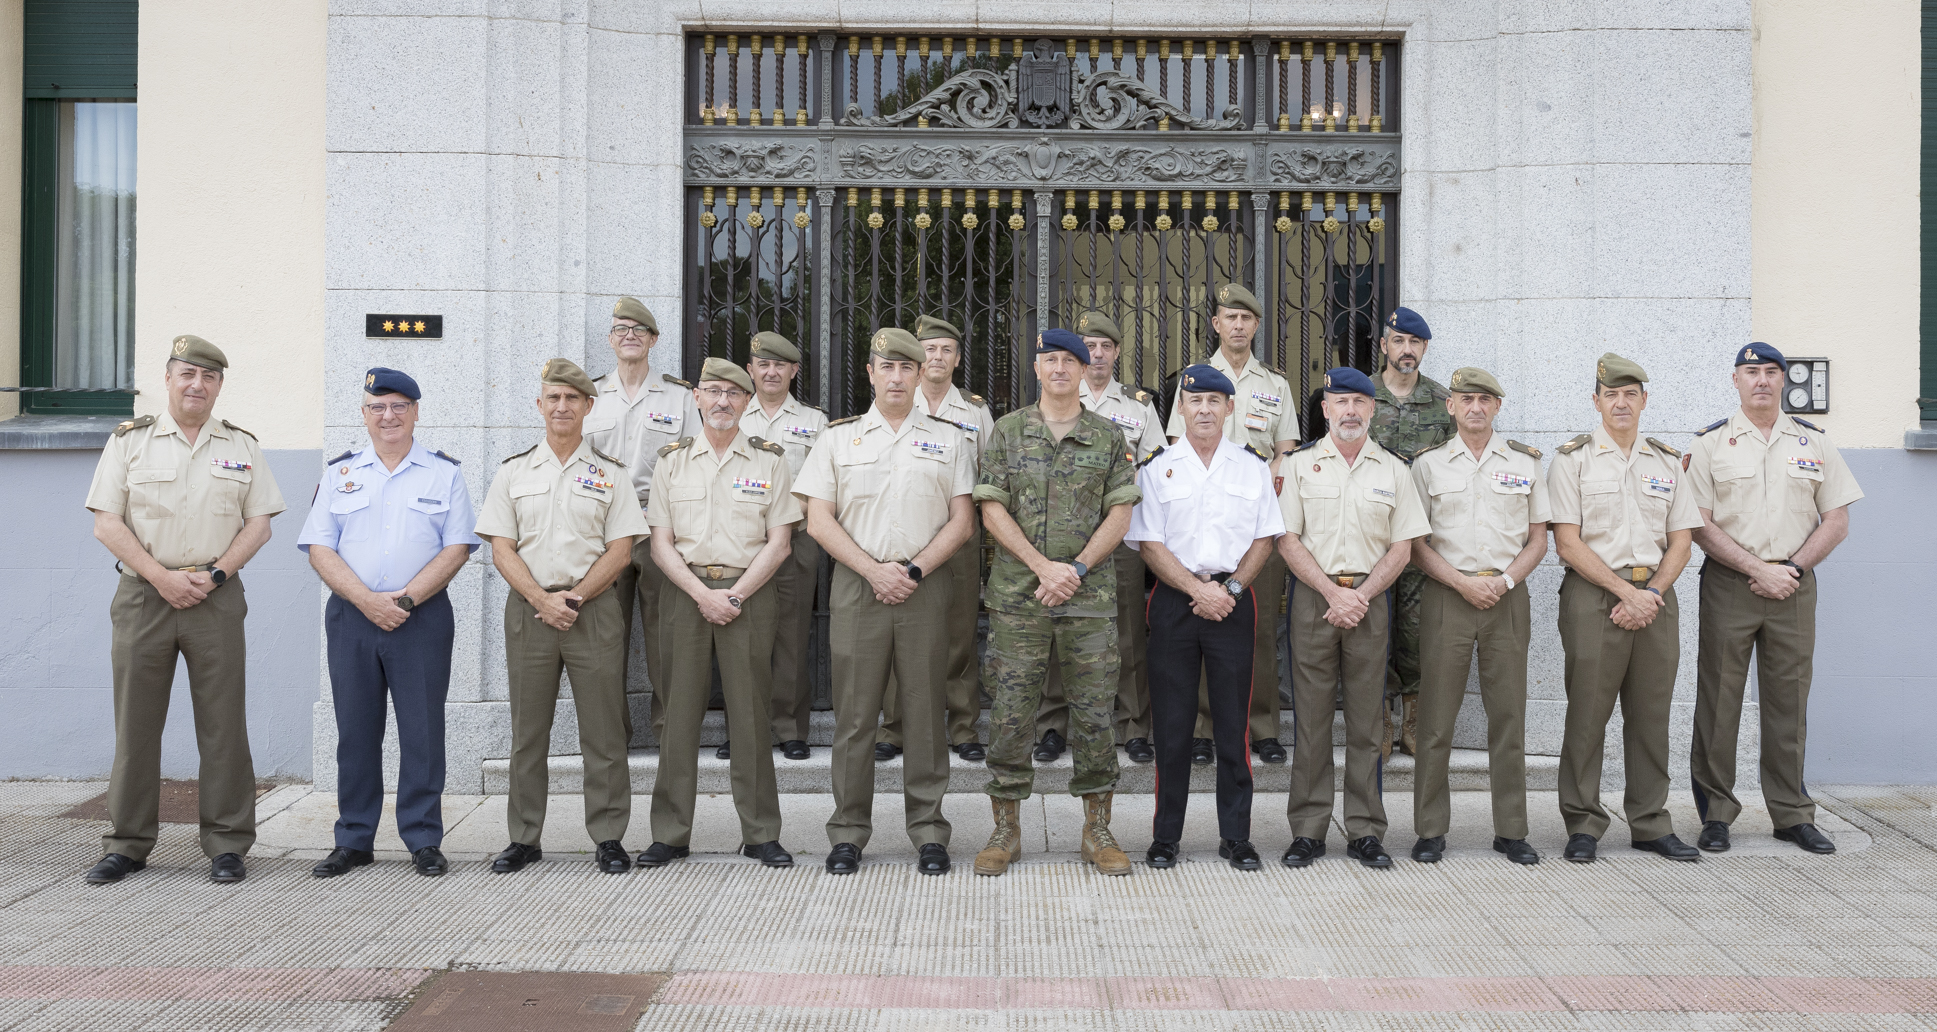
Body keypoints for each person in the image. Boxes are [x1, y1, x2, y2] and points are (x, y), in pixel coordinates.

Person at [81, 335, 286, 886]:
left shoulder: (241, 446)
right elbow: (107, 522)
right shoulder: (130, 443)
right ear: (168, 378)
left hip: (215, 598)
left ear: (219, 386)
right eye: (187, 374)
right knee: (137, 724)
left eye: (209, 376)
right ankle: (126, 844)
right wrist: (162, 578)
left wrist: (215, 575)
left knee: (223, 725)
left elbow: (259, 523)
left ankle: (227, 844)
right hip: (144, 596)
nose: (198, 385)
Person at [795, 327, 976, 875]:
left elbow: (963, 520)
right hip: (857, 583)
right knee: (854, 716)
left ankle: (929, 831)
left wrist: (913, 569)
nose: (897, 377)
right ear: (870, 373)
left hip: (925, 584)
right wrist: (874, 570)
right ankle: (849, 831)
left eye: (907, 367)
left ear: (923, 374)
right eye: (886, 367)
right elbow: (817, 518)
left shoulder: (950, 438)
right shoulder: (837, 439)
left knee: (924, 711)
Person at [971, 329, 1141, 877]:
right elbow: (991, 508)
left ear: (1085, 365)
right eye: (1052, 359)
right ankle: (1005, 827)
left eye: (1072, 359)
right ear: (1037, 368)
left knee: (1094, 714)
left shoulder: (1107, 436)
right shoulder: (1007, 431)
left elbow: (1121, 511)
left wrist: (1077, 569)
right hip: (1020, 598)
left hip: (1087, 600)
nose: (1063, 368)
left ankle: (1098, 828)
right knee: (1011, 712)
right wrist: (1043, 568)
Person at [299, 368, 478, 879]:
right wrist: (366, 601)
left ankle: (423, 838)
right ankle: (354, 838)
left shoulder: (443, 473)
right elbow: (319, 547)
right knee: (355, 731)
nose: (389, 416)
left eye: (399, 406)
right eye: (378, 407)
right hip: (352, 617)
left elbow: (458, 546)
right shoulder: (340, 473)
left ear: (416, 412)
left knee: (422, 729)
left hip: (421, 617)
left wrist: (402, 601)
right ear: (363, 414)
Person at [1685, 343, 1863, 856]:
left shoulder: (1814, 443)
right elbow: (1698, 523)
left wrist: (1791, 569)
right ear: (1735, 380)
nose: (1760, 380)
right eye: (1750, 372)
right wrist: (1756, 568)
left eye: (1770, 372)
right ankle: (1716, 815)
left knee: (1789, 701)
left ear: (1784, 379)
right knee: (1719, 700)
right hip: (1729, 584)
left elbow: (1837, 520)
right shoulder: (1711, 444)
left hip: (1793, 585)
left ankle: (1791, 814)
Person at [475, 358, 649, 875]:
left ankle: (609, 836)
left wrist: (573, 598)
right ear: (540, 404)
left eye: (573, 398)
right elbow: (502, 549)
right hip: (531, 612)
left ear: (588, 407)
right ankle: (524, 837)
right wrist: (541, 599)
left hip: (592, 611)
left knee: (603, 733)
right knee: (529, 732)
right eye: (553, 397)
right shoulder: (513, 471)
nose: (562, 406)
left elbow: (622, 550)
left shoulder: (610, 475)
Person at [639, 357, 800, 869]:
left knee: (751, 714)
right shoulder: (671, 461)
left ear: (748, 402)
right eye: (712, 392)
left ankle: (760, 832)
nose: (723, 402)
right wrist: (701, 594)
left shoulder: (770, 460)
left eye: (733, 394)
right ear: (697, 399)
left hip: (748, 595)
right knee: (678, 714)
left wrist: (734, 595)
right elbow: (660, 544)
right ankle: (669, 832)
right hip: (685, 594)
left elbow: (780, 543)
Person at [1548, 353, 1704, 864]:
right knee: (1588, 715)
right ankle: (1584, 824)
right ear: (1596, 402)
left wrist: (1651, 595)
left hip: (1655, 600)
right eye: (1611, 394)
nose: (1621, 402)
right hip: (1595, 598)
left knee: (1651, 717)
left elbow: (1682, 541)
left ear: (1643, 400)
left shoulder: (1666, 461)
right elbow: (1567, 544)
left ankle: (1651, 821)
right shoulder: (1571, 460)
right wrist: (1625, 593)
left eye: (1630, 393)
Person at [1128, 364, 1285, 871]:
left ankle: (1236, 836)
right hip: (1175, 601)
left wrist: (1230, 589)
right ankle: (1165, 837)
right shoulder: (1157, 466)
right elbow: (1148, 541)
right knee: (1172, 728)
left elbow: (1266, 536)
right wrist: (1197, 589)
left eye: (1214, 402)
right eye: (1194, 402)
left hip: (1233, 600)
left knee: (1233, 729)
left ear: (1229, 409)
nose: (1204, 410)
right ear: (1181, 408)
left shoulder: (1252, 465)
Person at [1278, 367, 1429, 870]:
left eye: (1358, 403)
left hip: (1370, 597)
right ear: (1324, 409)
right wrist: (1331, 593)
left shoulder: (1394, 470)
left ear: (1372, 409)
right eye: (1339, 402)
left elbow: (1403, 546)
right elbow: (1287, 540)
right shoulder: (1300, 467)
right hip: (1313, 598)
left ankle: (1365, 829)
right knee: (1312, 719)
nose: (1348, 411)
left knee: (1368, 721)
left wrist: (1360, 595)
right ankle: (1308, 829)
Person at [1405, 367, 1547, 866]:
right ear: (1451, 407)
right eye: (1466, 399)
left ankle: (1511, 830)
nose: (1475, 408)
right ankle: (1429, 829)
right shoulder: (1428, 466)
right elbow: (1415, 543)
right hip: (1449, 594)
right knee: (1437, 720)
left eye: (1485, 400)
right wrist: (1464, 584)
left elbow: (1538, 539)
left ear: (1498, 407)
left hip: (1507, 596)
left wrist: (1504, 582)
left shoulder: (1526, 463)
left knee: (1508, 717)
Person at [1163, 285, 1297, 765]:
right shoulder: (1195, 380)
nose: (1238, 325)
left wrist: (1270, 480)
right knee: (1200, 617)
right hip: (1202, 523)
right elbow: (1177, 451)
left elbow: (1286, 449)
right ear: (1215, 323)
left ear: (1256, 326)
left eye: (1246, 317)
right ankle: (1202, 729)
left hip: (1256, 523)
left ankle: (1261, 727)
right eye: (1229, 317)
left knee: (1258, 630)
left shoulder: (1275, 385)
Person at [1035, 311, 1165, 764]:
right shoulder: (1054, 398)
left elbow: (1153, 469)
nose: (1096, 354)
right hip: (1059, 536)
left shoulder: (1137, 407)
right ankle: (1053, 726)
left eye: (1105, 346)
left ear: (1116, 352)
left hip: (1118, 538)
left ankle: (1133, 726)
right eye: (1088, 346)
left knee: (1126, 631)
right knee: (1056, 629)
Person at [878, 314, 995, 762]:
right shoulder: (898, 405)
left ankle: (963, 728)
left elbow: (988, 476)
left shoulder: (975, 411)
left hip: (960, 539)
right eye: (930, 349)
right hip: (905, 538)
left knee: (959, 635)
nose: (938, 357)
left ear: (958, 358)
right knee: (898, 635)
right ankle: (895, 728)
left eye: (947, 349)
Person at [584, 297, 699, 746]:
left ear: (653, 339)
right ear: (610, 339)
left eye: (639, 329)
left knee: (666, 637)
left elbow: (692, 463)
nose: (629, 335)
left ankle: (670, 732)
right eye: (620, 329)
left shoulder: (679, 396)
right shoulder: (591, 396)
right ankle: (611, 736)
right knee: (604, 639)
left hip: (658, 530)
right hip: (602, 531)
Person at [737, 331, 829, 761]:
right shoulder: (732, 412)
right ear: (751, 369)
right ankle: (744, 727)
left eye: (780, 365)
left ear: (794, 370)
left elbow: (826, 485)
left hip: (796, 540)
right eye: (763, 364)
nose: (771, 372)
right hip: (742, 545)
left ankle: (790, 727)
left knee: (792, 634)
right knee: (744, 636)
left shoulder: (815, 422)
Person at [1369, 306, 1455, 757]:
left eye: (1415, 343)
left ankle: (1415, 722)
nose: (1407, 350)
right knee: (1376, 626)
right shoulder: (1361, 397)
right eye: (1398, 341)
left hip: (1422, 538)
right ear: (1384, 345)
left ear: (1423, 349)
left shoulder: (1444, 403)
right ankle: (1381, 721)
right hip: (1371, 537)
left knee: (1419, 629)